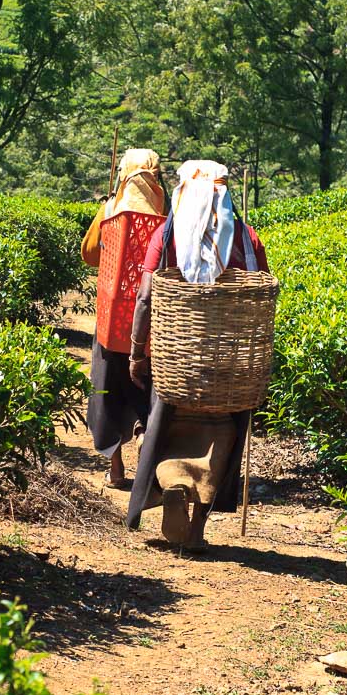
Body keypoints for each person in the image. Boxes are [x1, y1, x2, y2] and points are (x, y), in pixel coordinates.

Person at [124, 160, 269, 552]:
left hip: (175, 359)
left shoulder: (165, 237)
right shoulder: (248, 239)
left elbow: (144, 299)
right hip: (230, 363)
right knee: (222, 433)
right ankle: (198, 527)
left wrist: (138, 352)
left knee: (167, 428)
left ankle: (173, 485)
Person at [82, 148, 167, 489]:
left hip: (111, 321)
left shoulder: (111, 209)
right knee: (145, 390)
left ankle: (115, 469)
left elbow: (89, 255)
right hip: (151, 323)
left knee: (106, 390)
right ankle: (146, 442)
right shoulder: (167, 214)